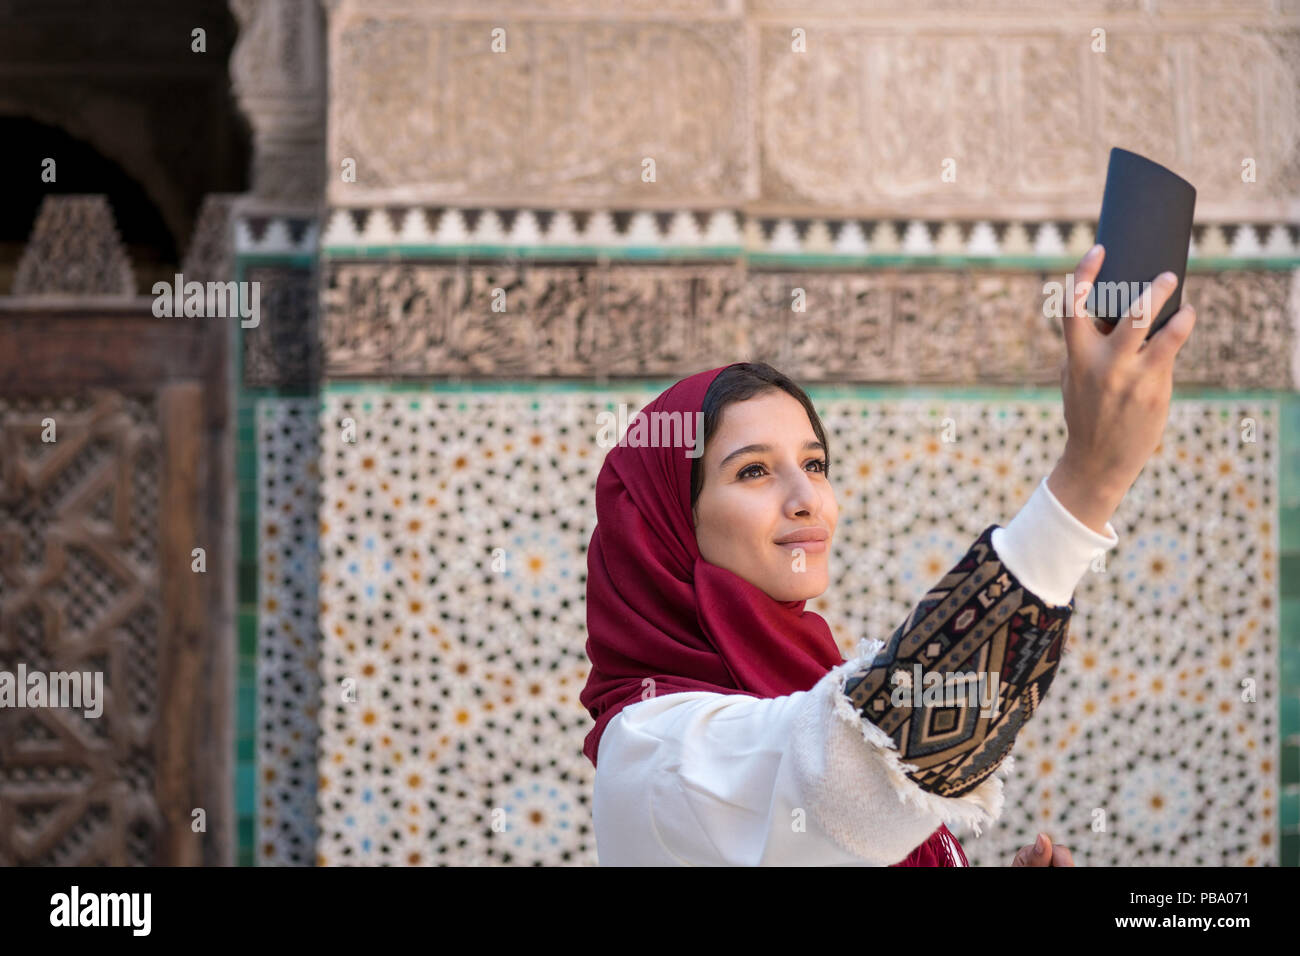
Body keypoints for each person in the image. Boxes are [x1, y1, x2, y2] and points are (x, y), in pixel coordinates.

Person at [580, 244, 1197, 866]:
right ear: (663, 525)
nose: (807, 500)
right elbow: (876, 768)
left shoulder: (803, 686)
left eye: (815, 465)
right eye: (754, 471)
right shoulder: (655, 746)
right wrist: (1089, 482)